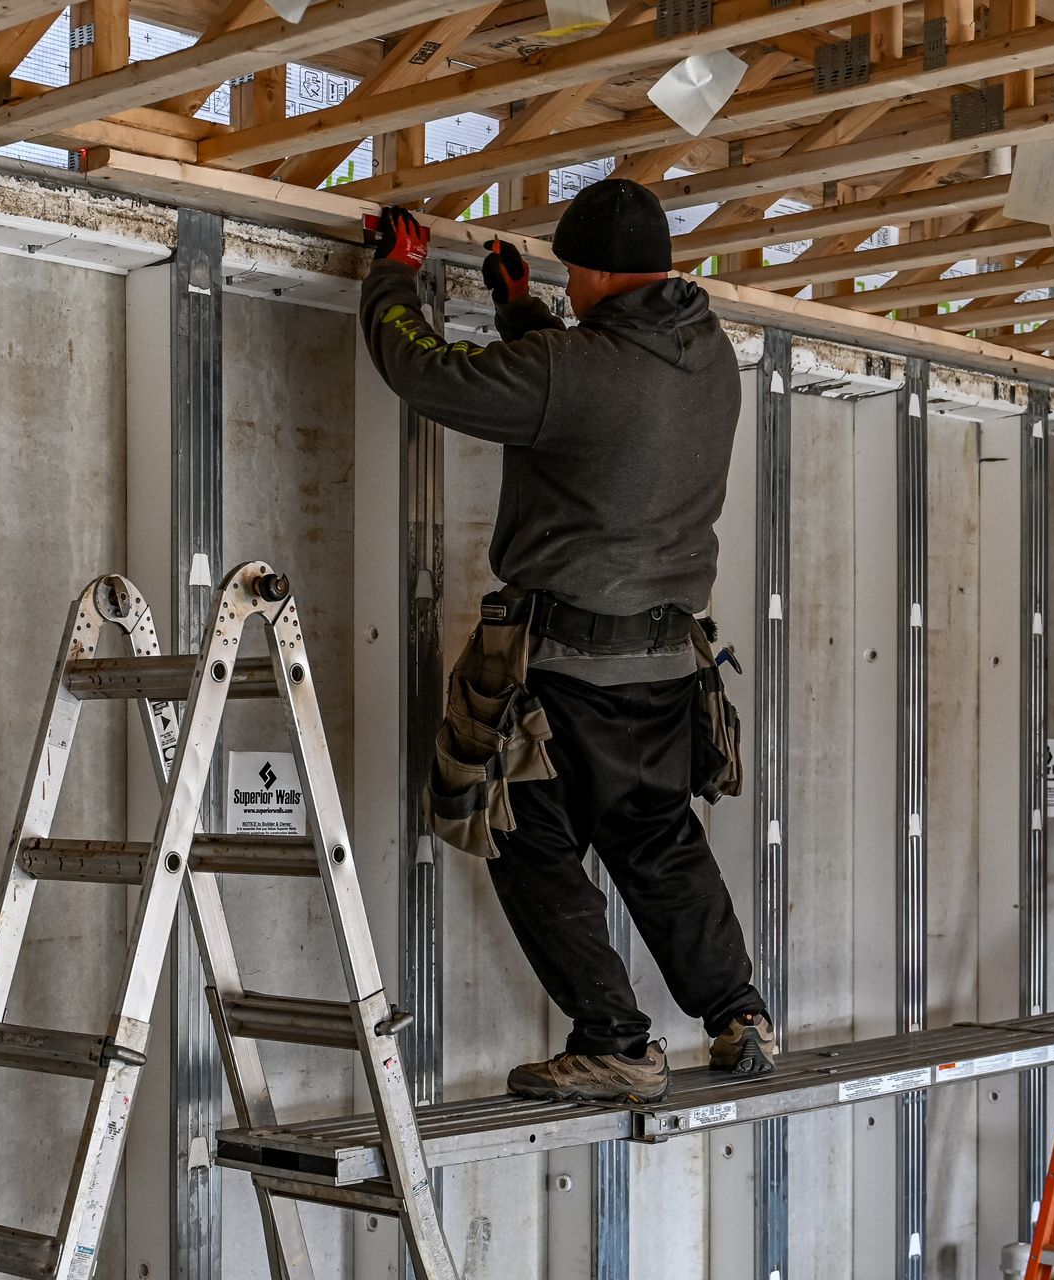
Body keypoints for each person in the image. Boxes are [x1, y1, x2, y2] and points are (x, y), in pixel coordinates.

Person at [357, 179, 775, 1105]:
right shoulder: (710, 357)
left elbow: (425, 373)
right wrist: (522, 312)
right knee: (657, 839)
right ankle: (738, 1013)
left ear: (587, 272)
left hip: (567, 674)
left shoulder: (567, 367)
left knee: (525, 839)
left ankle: (617, 1042)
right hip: (671, 666)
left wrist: (395, 276)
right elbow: (587, 394)